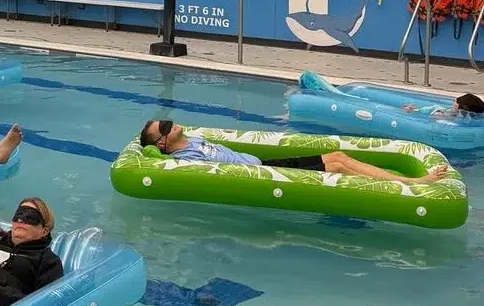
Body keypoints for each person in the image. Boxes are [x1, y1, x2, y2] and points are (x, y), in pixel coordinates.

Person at [139, 119, 448, 185]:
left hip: (263, 163)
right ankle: (410, 184)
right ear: (163, 143)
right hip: (262, 175)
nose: (173, 123)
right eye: (165, 126)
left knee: (337, 158)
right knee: (337, 164)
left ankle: (400, 180)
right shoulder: (185, 159)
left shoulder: (193, 139)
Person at [402, 93, 484, 119]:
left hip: (437, 111)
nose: (453, 102)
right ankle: (413, 109)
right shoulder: (443, 114)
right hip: (435, 110)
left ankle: (412, 110)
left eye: (454, 101)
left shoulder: (443, 115)